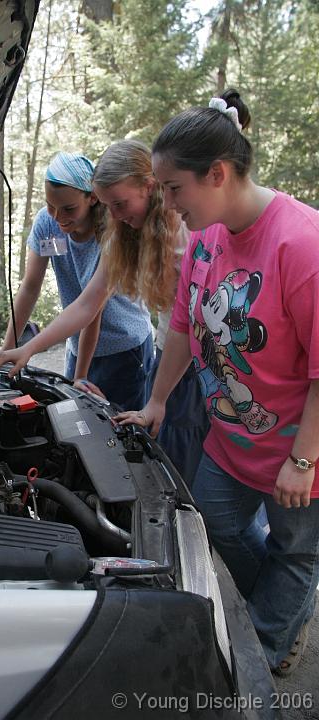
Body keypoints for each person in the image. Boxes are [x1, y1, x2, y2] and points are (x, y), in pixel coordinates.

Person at [116, 89, 319, 676]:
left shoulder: (300, 243)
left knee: (295, 552)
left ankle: (265, 652)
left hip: (301, 453)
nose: (168, 203)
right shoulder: (206, 238)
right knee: (217, 524)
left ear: (219, 173)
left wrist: (302, 462)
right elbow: (183, 324)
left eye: (174, 188)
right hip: (230, 442)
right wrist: (156, 400)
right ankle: (279, 613)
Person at [0, 140, 209, 487]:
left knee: (173, 448)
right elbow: (86, 303)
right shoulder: (122, 229)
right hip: (168, 350)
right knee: (152, 435)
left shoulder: (182, 230)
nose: (115, 215)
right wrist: (23, 348)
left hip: (160, 352)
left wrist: (155, 397)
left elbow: (99, 312)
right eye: (110, 206)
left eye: (118, 204)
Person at [0, 151, 154, 410]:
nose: (58, 217)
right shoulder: (47, 224)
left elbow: (92, 309)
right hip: (76, 341)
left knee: (119, 427)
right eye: (51, 205)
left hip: (123, 349)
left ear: (93, 198)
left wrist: (80, 376)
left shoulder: (111, 231)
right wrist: (8, 347)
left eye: (69, 209)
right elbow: (30, 287)